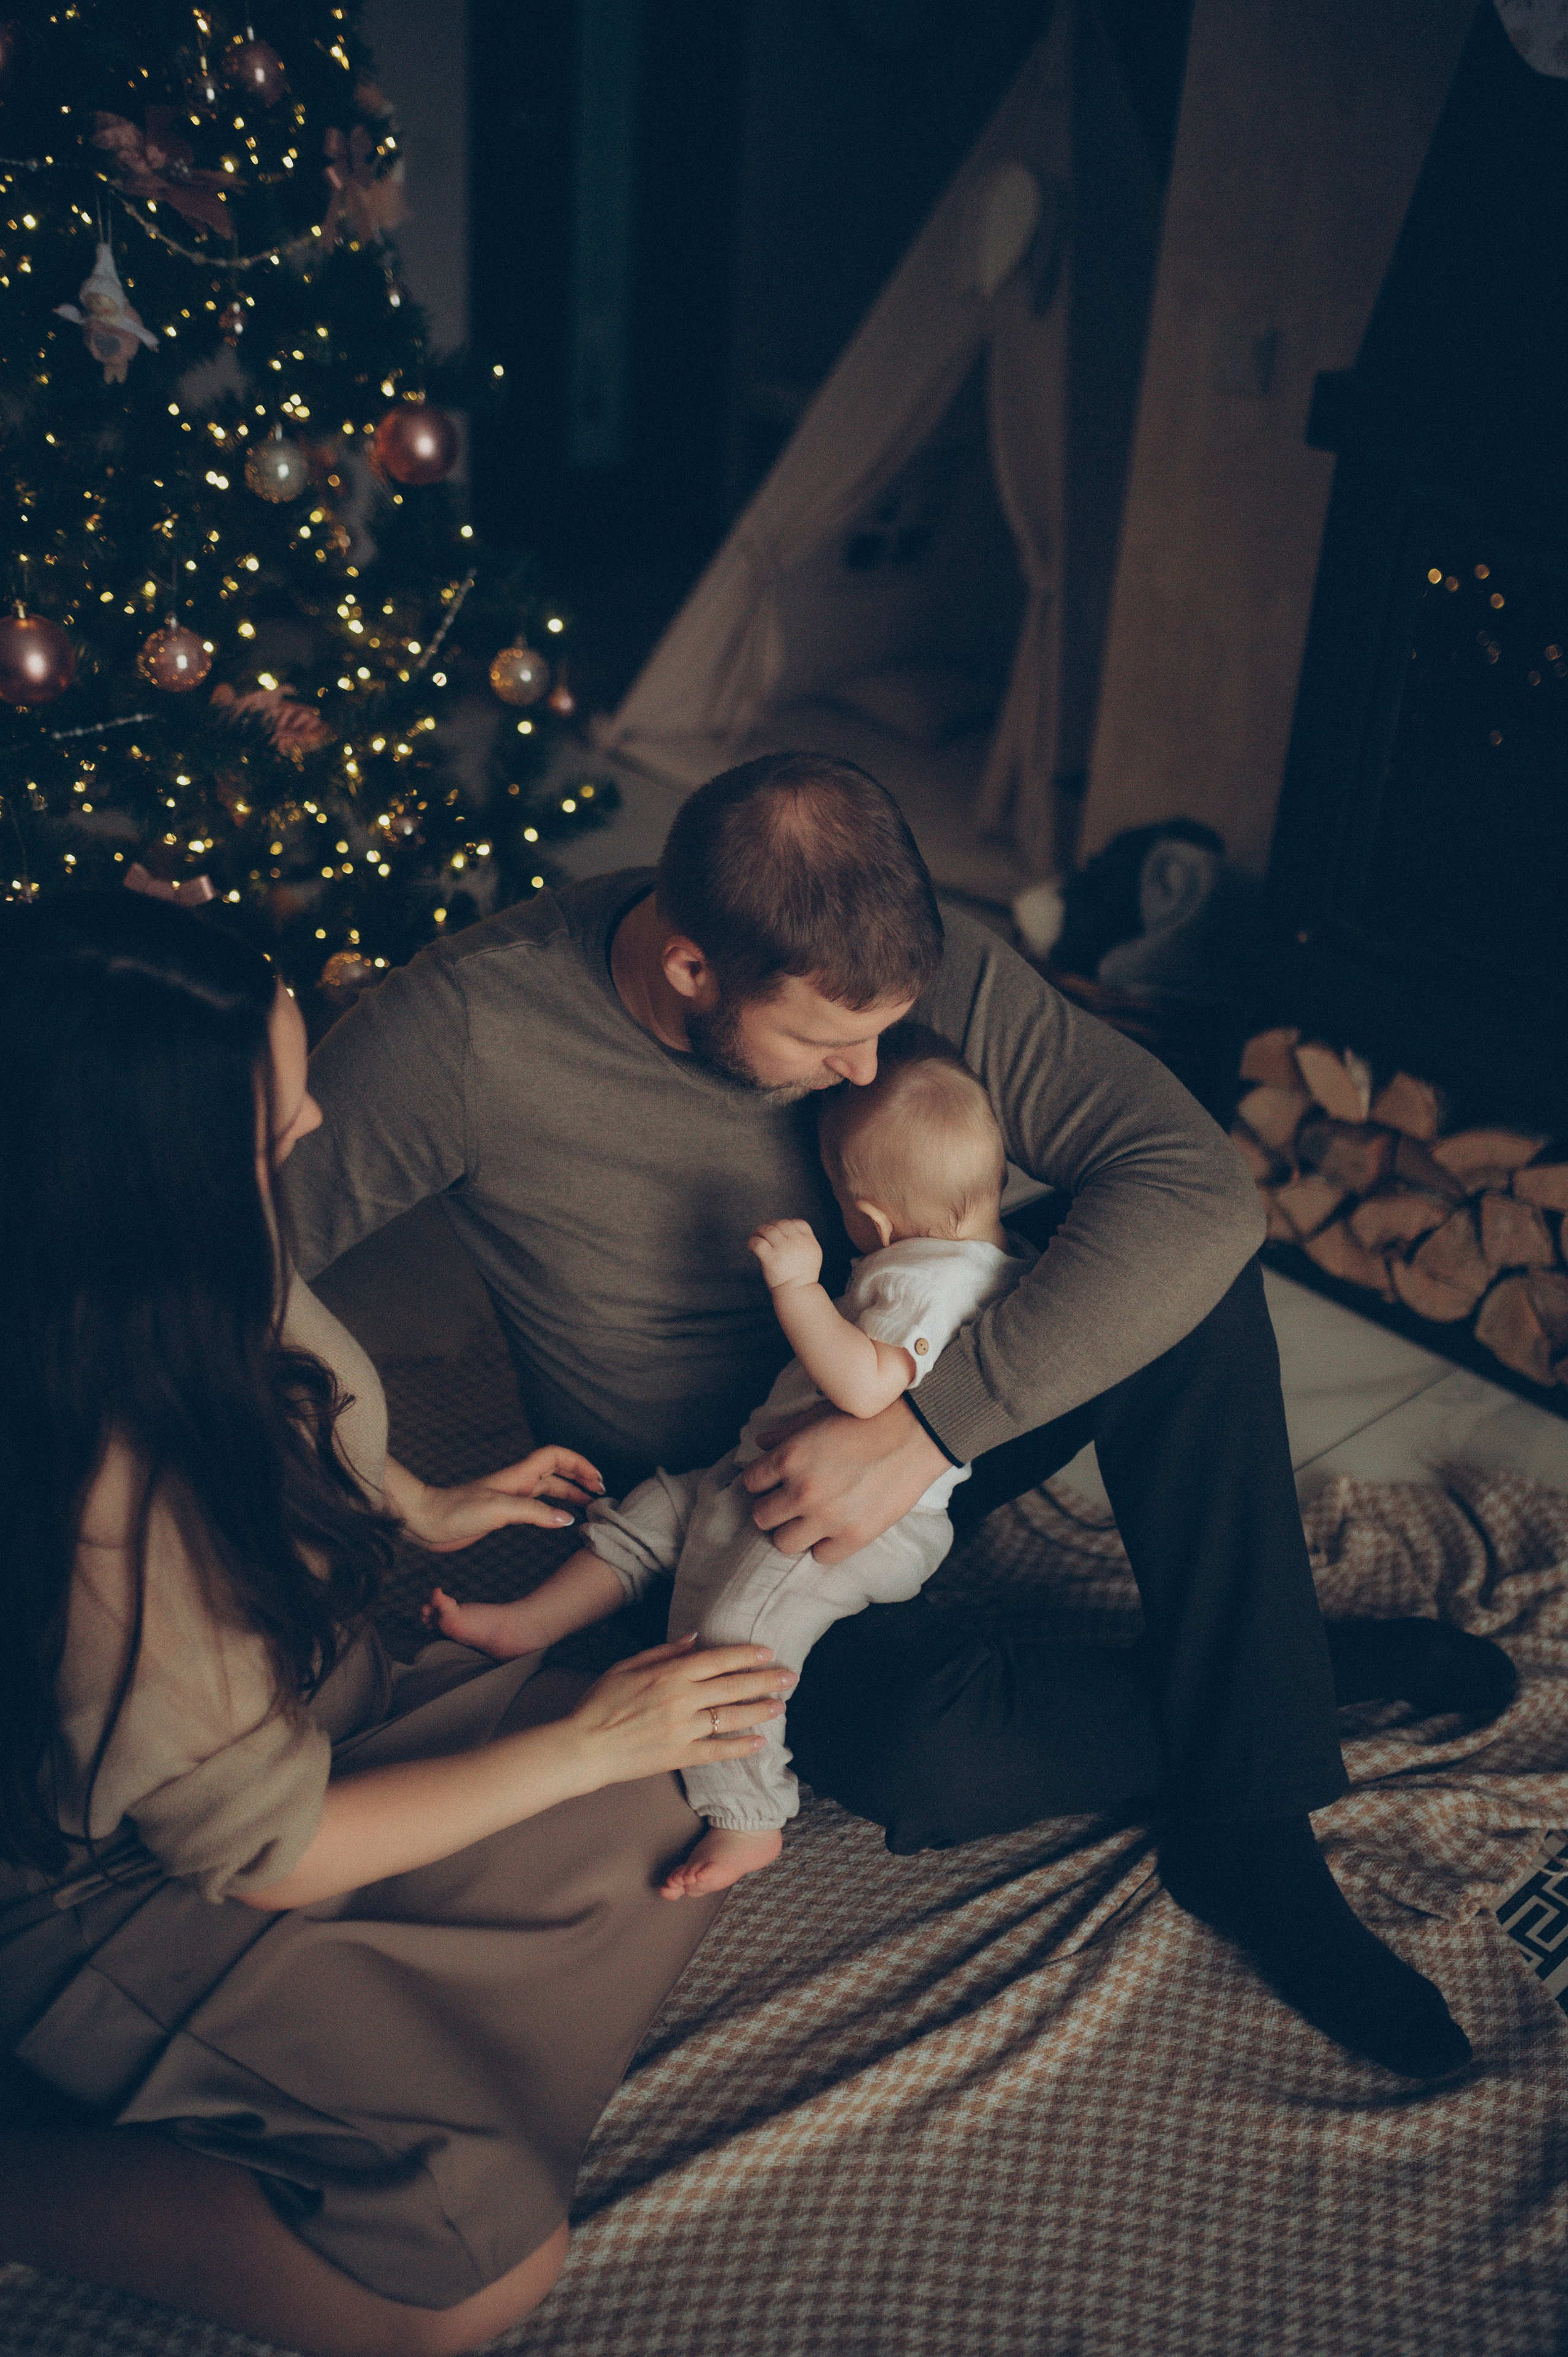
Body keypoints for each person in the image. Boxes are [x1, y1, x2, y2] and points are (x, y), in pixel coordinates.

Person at [285, 752, 1514, 2085]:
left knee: (1191, 1294)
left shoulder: (887, 962)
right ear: (693, 968)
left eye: (883, 1031)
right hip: (718, 1506)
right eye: (824, 1047)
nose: (862, 1068)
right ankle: (1282, 1674)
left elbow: (1195, 1188)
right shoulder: (460, 1032)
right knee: (916, 1756)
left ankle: (1252, 1825)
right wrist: (398, 1483)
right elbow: (222, 1270)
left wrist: (925, 1430)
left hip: (915, 1399)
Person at [0, 892, 791, 2357]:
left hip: (307, 1699)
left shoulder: (157, 1267)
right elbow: (269, 1853)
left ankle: (388, 2008)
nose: (307, 1137)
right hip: (123, 1888)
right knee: (470, 2271)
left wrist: (415, 1503)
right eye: (269, 1130)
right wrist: (575, 1742)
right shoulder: (108, 1502)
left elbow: (296, 1384)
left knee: (676, 1798)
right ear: (150, 1182)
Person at [427, 1036, 1037, 1900]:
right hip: (762, 1473)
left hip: (856, 1525)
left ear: (869, 1223)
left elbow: (868, 1388)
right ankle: (531, 1623)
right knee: (651, 1518)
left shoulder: (927, 1285)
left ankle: (749, 1818)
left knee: (736, 1637)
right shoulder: (982, 1260)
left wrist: (799, 1287)